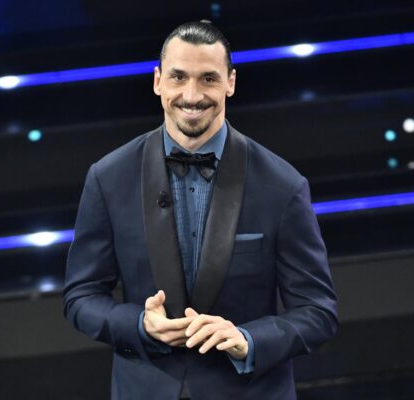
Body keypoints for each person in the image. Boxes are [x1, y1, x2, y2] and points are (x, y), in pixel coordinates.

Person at [63, 20, 338, 400]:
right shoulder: (108, 178)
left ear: (230, 83)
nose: (191, 96)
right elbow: (81, 296)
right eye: (178, 77)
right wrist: (141, 325)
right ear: (158, 81)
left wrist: (248, 340)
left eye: (208, 79)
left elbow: (318, 311)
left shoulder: (283, 185)